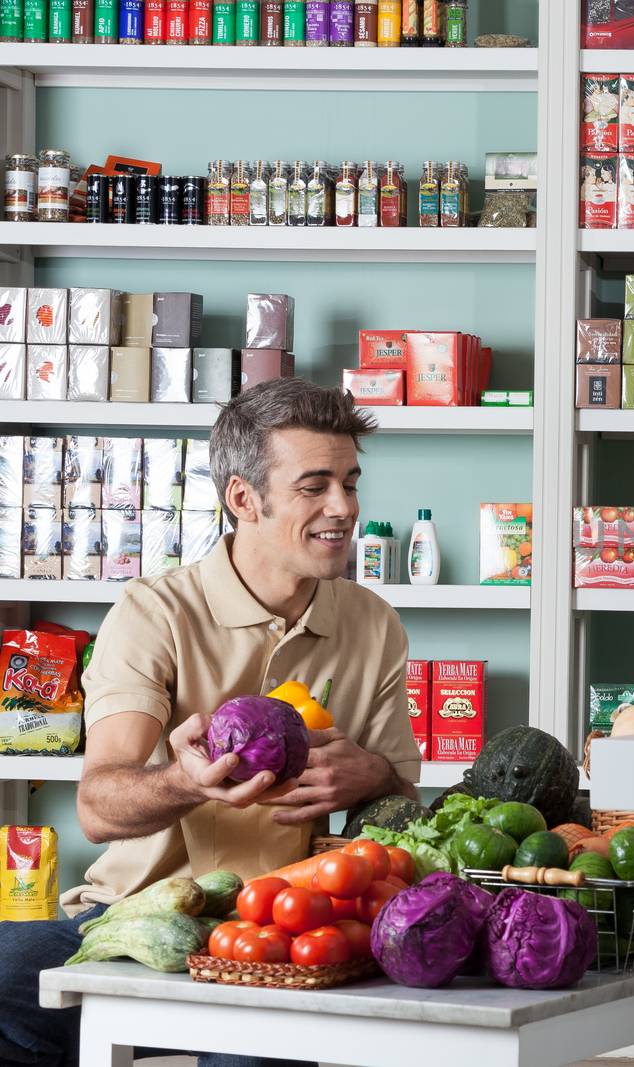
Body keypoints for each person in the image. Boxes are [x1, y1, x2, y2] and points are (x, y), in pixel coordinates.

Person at [0, 378, 423, 1067]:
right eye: (314, 486)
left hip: (287, 930)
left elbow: (399, 819)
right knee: (7, 969)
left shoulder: (373, 623)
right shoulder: (154, 613)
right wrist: (185, 781)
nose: (342, 507)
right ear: (242, 498)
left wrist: (369, 776)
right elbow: (99, 805)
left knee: (251, 1045)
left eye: (350, 481)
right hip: (135, 918)